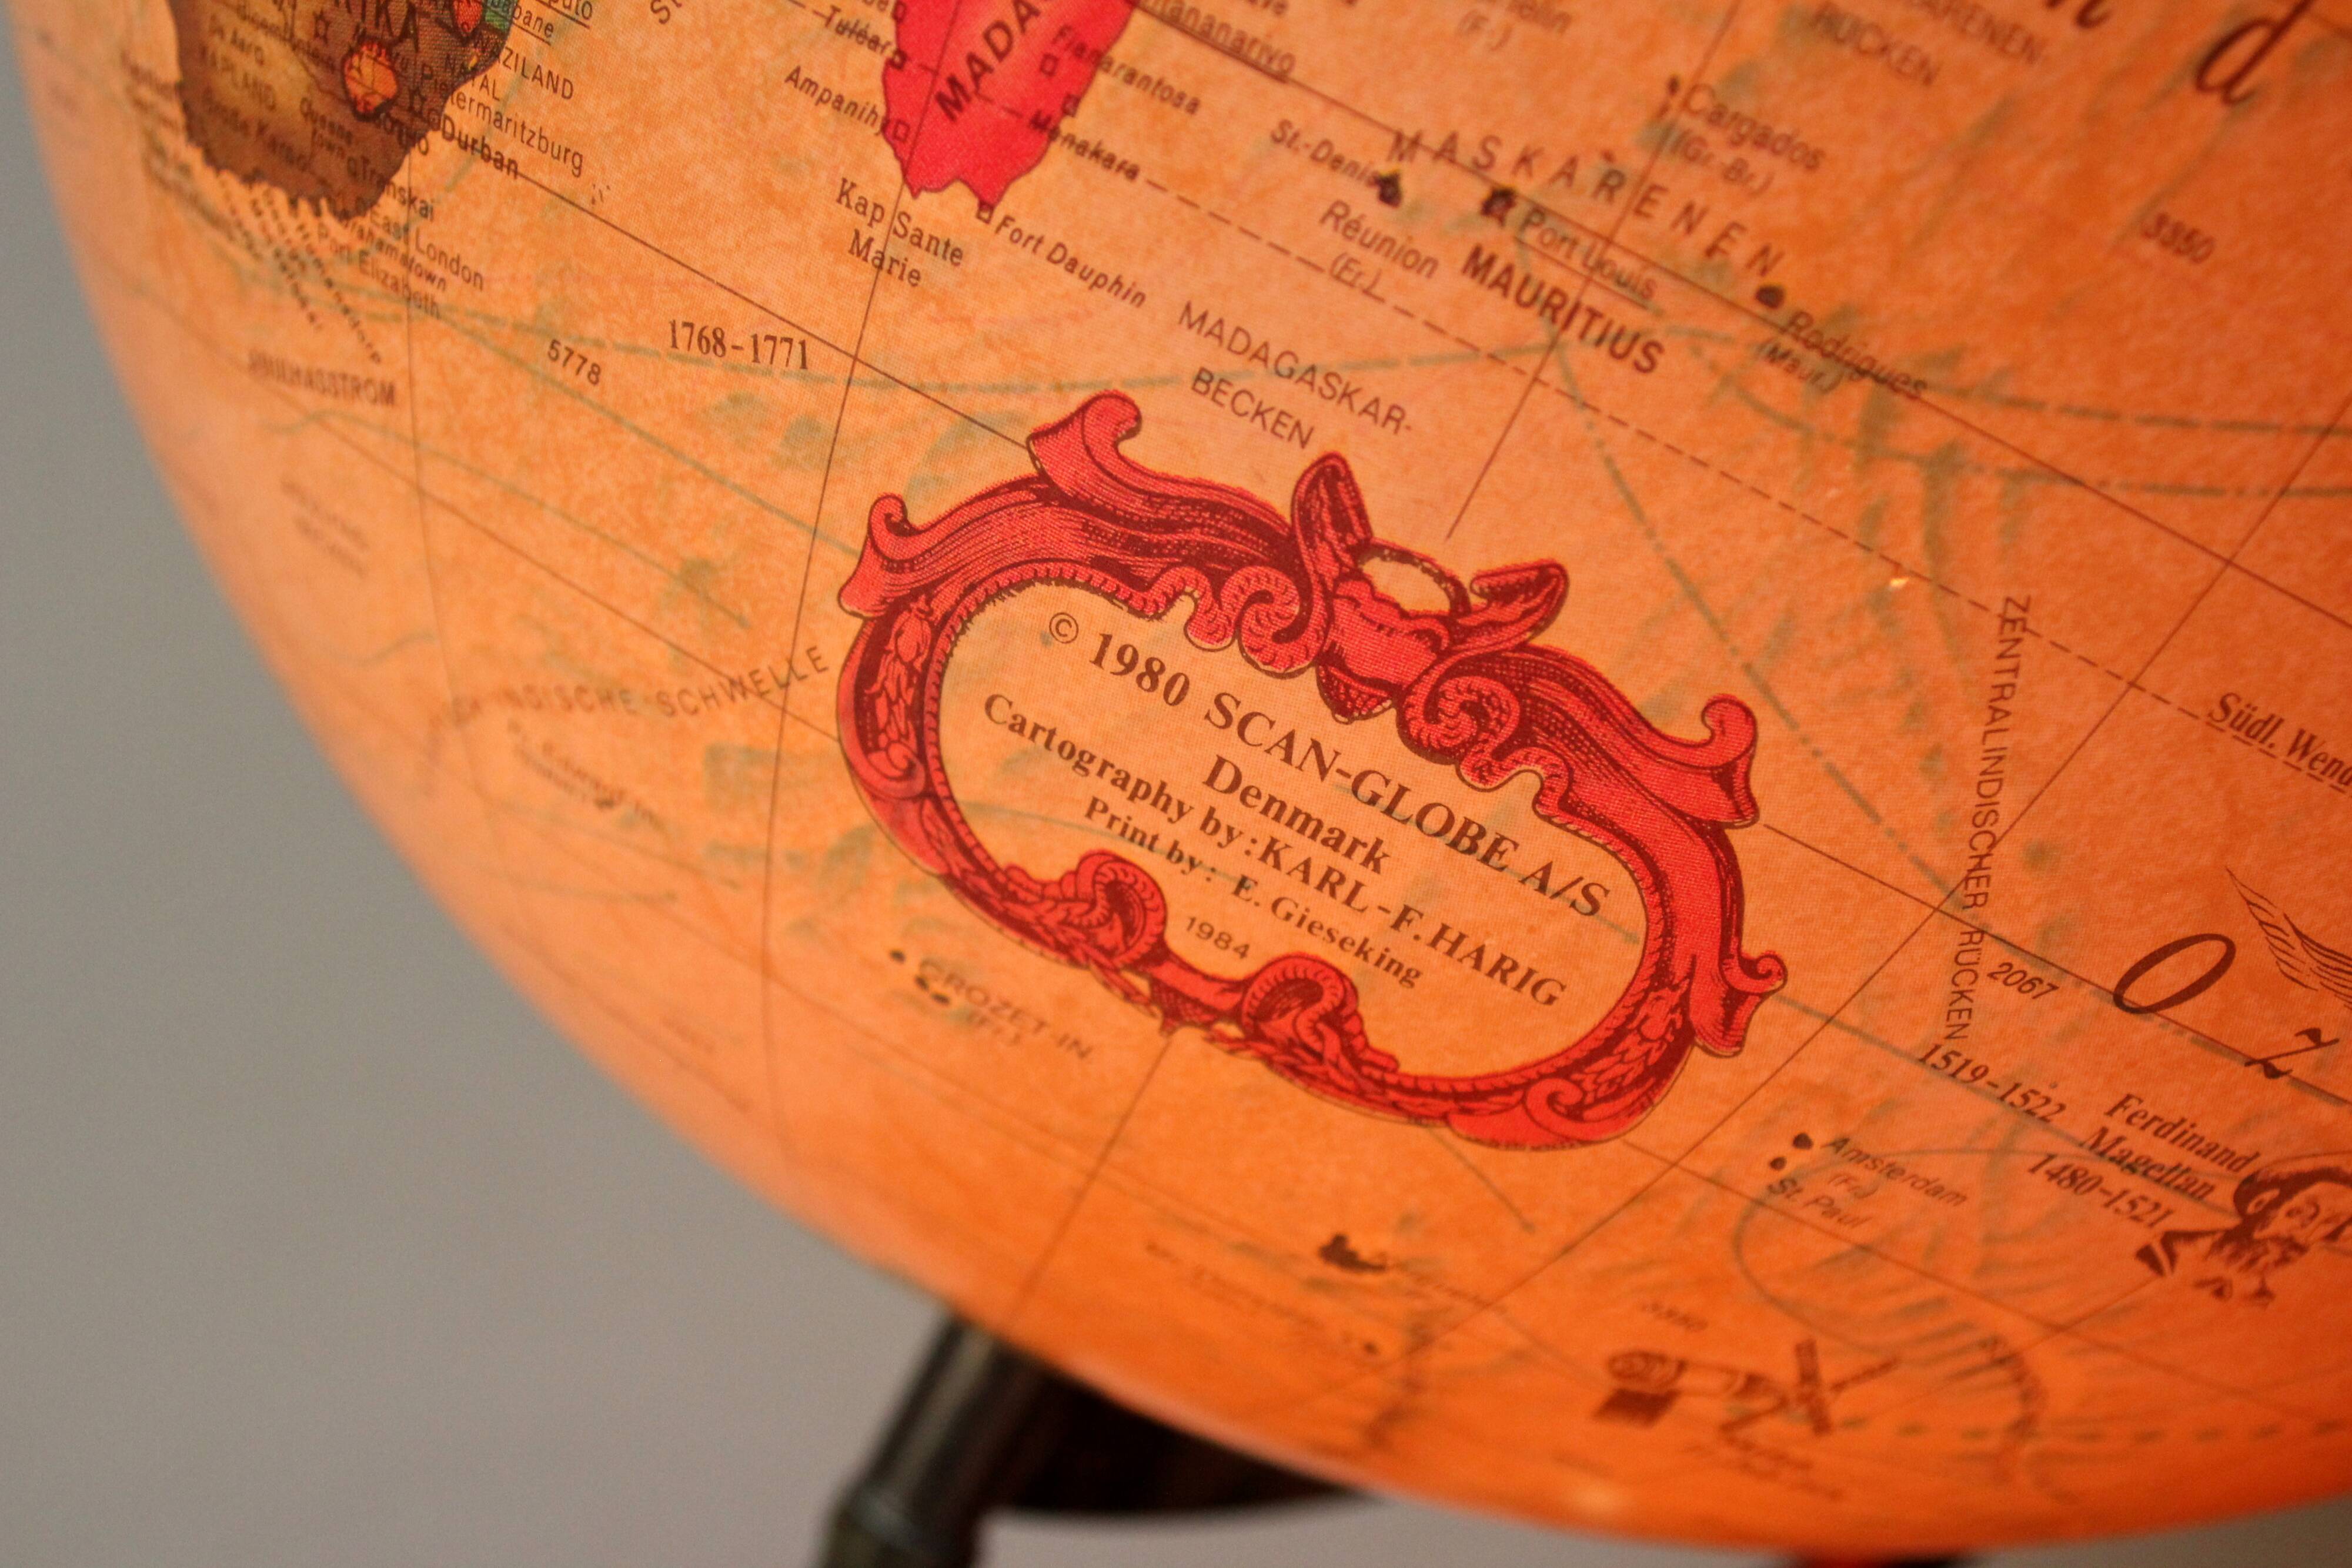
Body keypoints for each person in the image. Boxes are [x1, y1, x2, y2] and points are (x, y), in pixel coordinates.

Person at [2136, 1154, 2352, 1305]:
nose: (2306, 1234)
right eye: (2303, 1213)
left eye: (2330, 1224)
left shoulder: (2261, 1302)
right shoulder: (2163, 1254)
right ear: (2261, 1203)